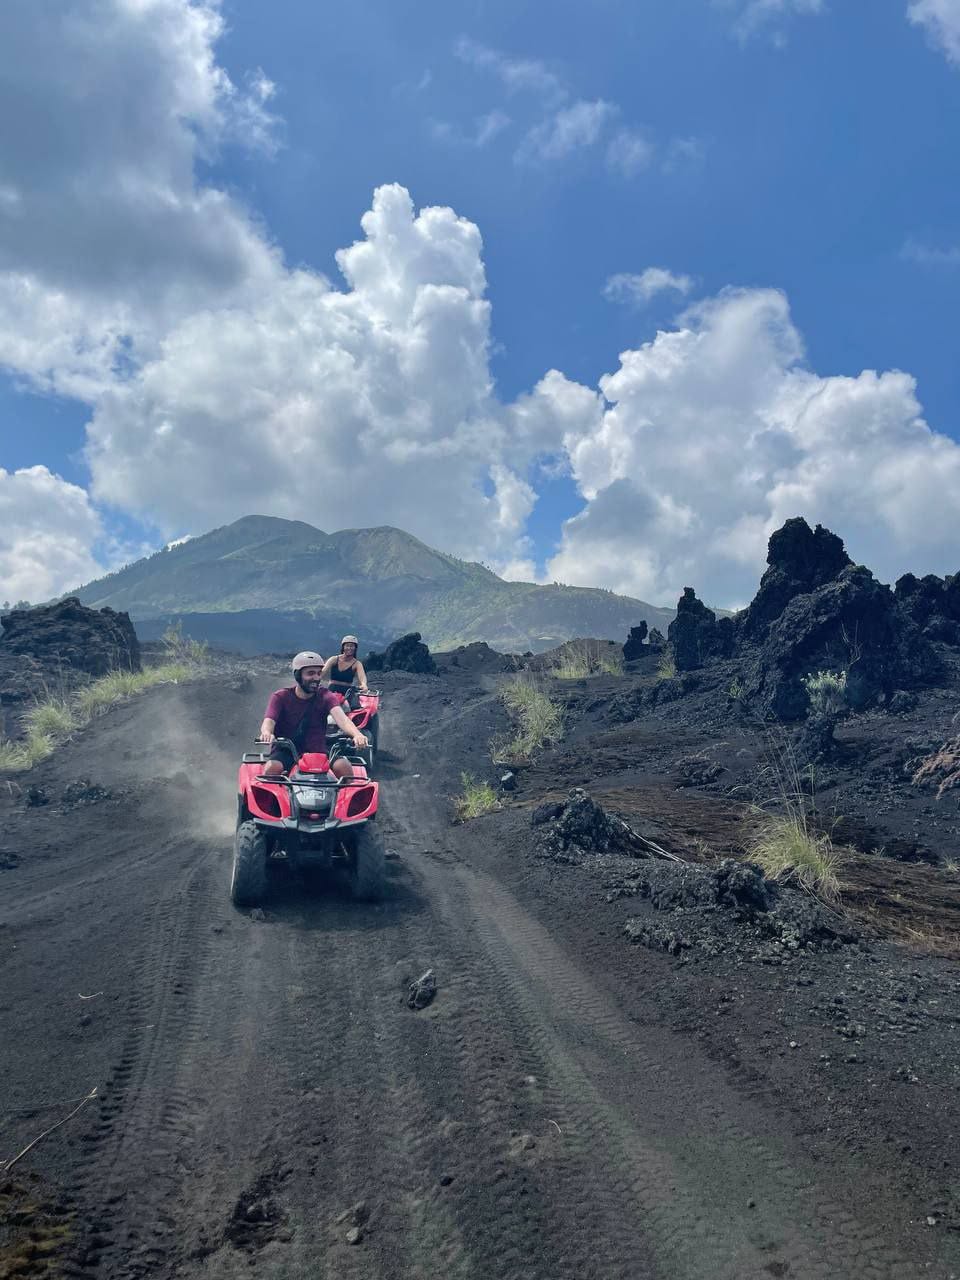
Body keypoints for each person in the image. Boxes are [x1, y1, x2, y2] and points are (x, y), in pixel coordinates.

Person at [258, 651, 368, 778]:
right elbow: (269, 720)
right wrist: (267, 733)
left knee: (344, 767)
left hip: (317, 752)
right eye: (310, 673)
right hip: (286, 751)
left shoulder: (326, 696)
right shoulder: (280, 697)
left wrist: (357, 734)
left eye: (319, 673)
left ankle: (342, 798)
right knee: (272, 769)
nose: (316, 677)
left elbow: (342, 719)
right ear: (298, 675)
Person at [321, 635, 368, 709]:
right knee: (323, 706)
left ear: (355, 648)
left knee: (356, 708)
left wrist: (364, 684)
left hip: (348, 691)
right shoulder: (334, 659)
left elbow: (362, 677)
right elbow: (323, 671)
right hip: (333, 688)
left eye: (352, 646)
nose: (349, 648)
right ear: (343, 647)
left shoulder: (357, 663)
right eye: (347, 646)